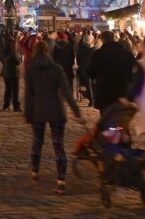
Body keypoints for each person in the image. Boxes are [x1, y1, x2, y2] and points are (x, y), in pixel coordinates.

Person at [24, 41, 81, 194]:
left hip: (38, 109)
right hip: (56, 108)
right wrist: (77, 113)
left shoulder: (31, 69)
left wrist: (27, 114)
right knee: (58, 145)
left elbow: (28, 95)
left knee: (37, 142)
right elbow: (67, 93)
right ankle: (61, 181)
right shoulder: (56, 68)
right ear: (48, 52)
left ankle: (35, 171)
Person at [88, 30, 136, 111]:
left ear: (102, 40)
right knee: (121, 116)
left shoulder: (97, 54)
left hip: (104, 92)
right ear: (114, 38)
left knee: (106, 115)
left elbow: (90, 72)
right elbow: (133, 70)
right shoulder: (126, 54)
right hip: (122, 91)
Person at [1, 32, 22, 112]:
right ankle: (16, 106)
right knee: (15, 90)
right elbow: (17, 62)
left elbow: (2, 60)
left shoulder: (4, 51)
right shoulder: (13, 52)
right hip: (13, 72)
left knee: (8, 89)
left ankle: (6, 105)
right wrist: (18, 56)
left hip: (6, 72)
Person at [52, 33, 75, 97]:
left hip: (58, 68)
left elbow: (53, 58)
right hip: (68, 68)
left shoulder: (55, 47)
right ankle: (70, 95)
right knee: (69, 82)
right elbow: (72, 57)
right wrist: (71, 64)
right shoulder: (69, 46)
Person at [75, 33, 94, 107]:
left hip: (84, 69)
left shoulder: (81, 49)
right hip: (94, 69)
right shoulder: (94, 48)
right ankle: (91, 97)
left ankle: (91, 99)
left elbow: (78, 59)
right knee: (92, 84)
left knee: (88, 85)